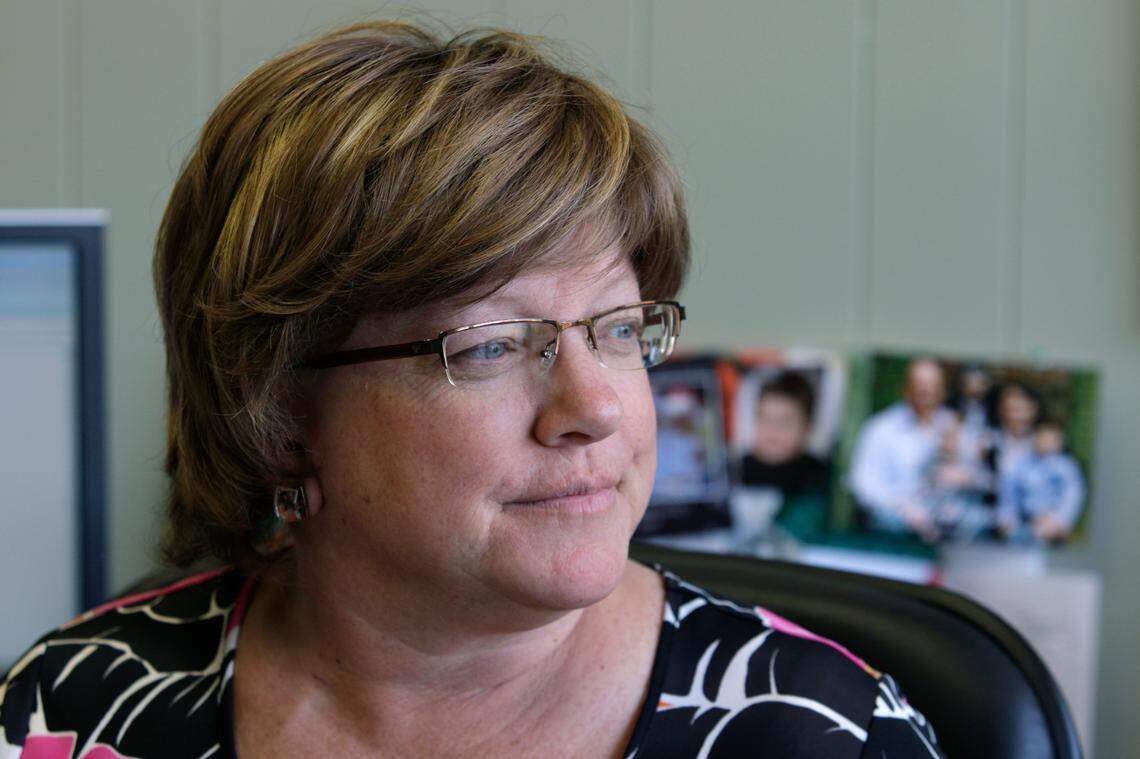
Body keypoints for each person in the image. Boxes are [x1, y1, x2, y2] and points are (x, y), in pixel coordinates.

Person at [0, 22, 941, 758]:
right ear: (278, 409)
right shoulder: (70, 710)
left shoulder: (827, 734)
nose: (595, 409)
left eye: (619, 329)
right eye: (491, 346)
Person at [849, 359, 957, 542]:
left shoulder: (951, 424)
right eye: (919, 384)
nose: (926, 391)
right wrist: (901, 507)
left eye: (932, 385)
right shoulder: (881, 428)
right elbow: (863, 484)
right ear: (906, 388)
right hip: (892, 533)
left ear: (942, 390)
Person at [739, 370, 829, 494]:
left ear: (807, 427)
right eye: (765, 418)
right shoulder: (735, 470)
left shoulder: (819, 476)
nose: (772, 429)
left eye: (784, 422)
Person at [997, 420, 1086, 544]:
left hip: (1053, 524)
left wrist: (1061, 520)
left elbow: (1073, 495)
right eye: (1041, 437)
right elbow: (1010, 494)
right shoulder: (1022, 464)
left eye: (1049, 439)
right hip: (1024, 523)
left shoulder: (1067, 467)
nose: (1044, 442)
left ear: (1060, 442)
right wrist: (1006, 518)